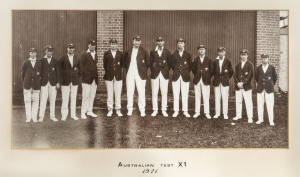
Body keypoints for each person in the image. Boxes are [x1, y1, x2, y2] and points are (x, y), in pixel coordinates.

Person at [124, 35, 150, 117]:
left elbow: (148, 62)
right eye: (135, 40)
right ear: (133, 41)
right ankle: (130, 109)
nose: (137, 42)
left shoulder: (144, 51)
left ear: (140, 42)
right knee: (130, 91)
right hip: (130, 72)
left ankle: (142, 109)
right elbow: (125, 62)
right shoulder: (128, 51)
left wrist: (143, 70)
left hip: (141, 73)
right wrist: (129, 70)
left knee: (141, 92)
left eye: (138, 40)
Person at [149, 36, 172, 117]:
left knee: (164, 93)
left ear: (164, 42)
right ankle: (155, 110)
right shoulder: (152, 52)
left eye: (161, 41)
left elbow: (169, 64)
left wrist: (164, 70)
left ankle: (163, 110)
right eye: (158, 41)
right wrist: (155, 70)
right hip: (155, 74)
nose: (160, 42)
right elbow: (151, 63)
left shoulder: (167, 52)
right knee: (154, 93)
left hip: (164, 74)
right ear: (156, 42)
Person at [59, 43, 81, 121]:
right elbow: (59, 70)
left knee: (73, 98)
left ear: (74, 49)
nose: (71, 49)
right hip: (65, 81)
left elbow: (80, 70)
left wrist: (76, 78)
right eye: (69, 48)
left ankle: (73, 115)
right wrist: (61, 80)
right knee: (65, 98)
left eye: (72, 48)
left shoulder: (77, 58)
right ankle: (64, 115)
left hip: (74, 82)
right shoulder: (62, 58)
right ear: (67, 49)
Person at [171, 38, 192, 118]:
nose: (180, 44)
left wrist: (184, 72)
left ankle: (185, 111)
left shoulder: (188, 54)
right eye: (179, 43)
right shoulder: (174, 54)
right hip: (176, 76)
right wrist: (177, 72)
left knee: (185, 94)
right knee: (176, 94)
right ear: (177, 44)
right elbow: (172, 65)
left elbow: (190, 66)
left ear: (184, 44)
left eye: (182, 43)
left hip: (185, 77)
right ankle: (176, 111)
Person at [38, 45, 60, 122]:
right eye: (48, 51)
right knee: (43, 99)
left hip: (53, 83)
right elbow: (39, 72)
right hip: (44, 83)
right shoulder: (41, 60)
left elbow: (58, 72)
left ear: (52, 52)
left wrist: (58, 82)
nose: (49, 52)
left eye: (51, 51)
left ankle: (52, 116)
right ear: (45, 51)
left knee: (52, 99)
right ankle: (41, 116)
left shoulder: (55, 61)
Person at [191, 45, 214, 119]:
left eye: (203, 49)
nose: (201, 51)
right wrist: (198, 75)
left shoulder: (209, 60)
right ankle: (197, 112)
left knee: (206, 96)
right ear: (198, 51)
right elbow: (194, 70)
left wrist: (206, 76)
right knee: (197, 96)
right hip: (197, 80)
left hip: (206, 80)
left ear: (205, 50)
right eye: (200, 49)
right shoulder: (195, 60)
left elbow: (212, 70)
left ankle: (207, 112)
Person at [255, 54, 277, 126]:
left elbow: (275, 78)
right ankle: (260, 119)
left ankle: (271, 121)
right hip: (260, 88)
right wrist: (261, 83)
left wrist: (270, 84)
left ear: (268, 59)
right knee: (260, 104)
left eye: (266, 58)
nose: (264, 59)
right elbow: (256, 77)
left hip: (269, 88)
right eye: (263, 58)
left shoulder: (272, 68)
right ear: (261, 59)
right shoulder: (258, 68)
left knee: (270, 104)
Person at [103, 38, 124, 117]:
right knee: (110, 93)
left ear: (117, 45)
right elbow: (105, 65)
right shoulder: (106, 53)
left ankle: (118, 109)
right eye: (112, 44)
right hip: (109, 76)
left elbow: (121, 64)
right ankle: (110, 109)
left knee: (118, 93)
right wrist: (110, 71)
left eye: (115, 44)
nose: (113, 45)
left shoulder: (120, 54)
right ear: (110, 45)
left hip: (118, 76)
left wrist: (117, 71)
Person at [232, 49, 254, 123]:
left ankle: (250, 117)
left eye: (245, 55)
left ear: (247, 55)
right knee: (238, 101)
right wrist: (238, 83)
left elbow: (250, 76)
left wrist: (243, 83)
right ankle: (238, 115)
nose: (243, 56)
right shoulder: (238, 65)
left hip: (246, 87)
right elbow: (235, 75)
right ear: (240, 55)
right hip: (238, 87)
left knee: (248, 102)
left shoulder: (250, 65)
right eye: (242, 55)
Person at [21, 48, 42, 123]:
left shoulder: (39, 62)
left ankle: (34, 117)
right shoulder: (26, 62)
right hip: (27, 85)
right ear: (29, 54)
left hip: (36, 85)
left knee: (36, 101)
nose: (33, 54)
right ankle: (28, 117)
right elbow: (23, 74)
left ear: (36, 53)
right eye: (31, 53)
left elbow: (41, 73)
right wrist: (27, 81)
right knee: (27, 101)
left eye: (34, 53)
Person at [212, 47, 234, 119]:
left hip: (225, 82)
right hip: (217, 82)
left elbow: (231, 72)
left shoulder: (228, 61)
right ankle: (217, 113)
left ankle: (225, 113)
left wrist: (226, 78)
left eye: (222, 51)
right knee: (217, 98)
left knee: (225, 98)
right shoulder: (215, 61)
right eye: (219, 52)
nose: (221, 53)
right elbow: (212, 71)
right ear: (218, 53)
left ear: (224, 52)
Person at [80, 40, 98, 119]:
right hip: (86, 79)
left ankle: (89, 111)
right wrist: (85, 74)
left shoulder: (95, 54)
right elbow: (81, 66)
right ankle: (83, 112)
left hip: (94, 79)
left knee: (92, 96)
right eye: (91, 45)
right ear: (88, 45)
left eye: (94, 45)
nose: (93, 46)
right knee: (86, 96)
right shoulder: (85, 55)